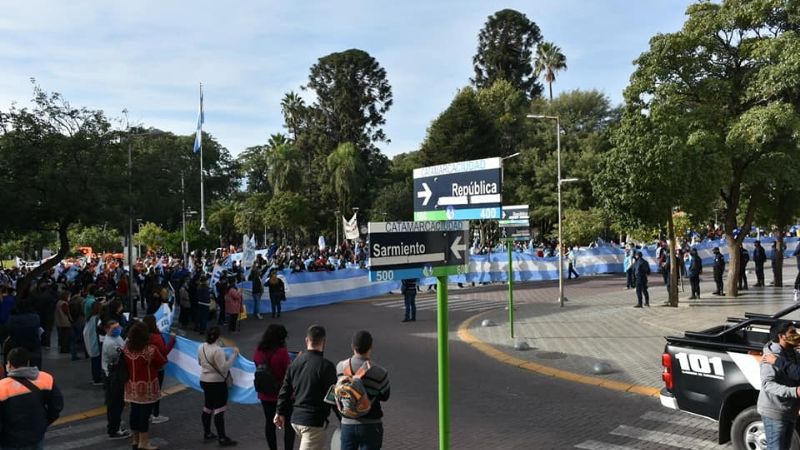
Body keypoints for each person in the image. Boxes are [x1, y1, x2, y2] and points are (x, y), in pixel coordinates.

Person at [275, 325, 336, 450]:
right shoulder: (326, 366)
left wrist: (279, 412)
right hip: (313, 422)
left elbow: (285, 390)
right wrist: (344, 420)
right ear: (324, 342)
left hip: (296, 419)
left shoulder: (295, 363)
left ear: (307, 340)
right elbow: (333, 396)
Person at [0, 347, 64, 449]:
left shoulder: (2, 387)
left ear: (9, 365)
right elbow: (57, 406)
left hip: (11, 441)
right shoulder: (46, 378)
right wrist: (44, 422)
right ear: (28, 362)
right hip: (36, 435)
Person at [336, 330, 391, 450]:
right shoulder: (380, 372)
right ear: (370, 347)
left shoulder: (340, 367)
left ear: (352, 346)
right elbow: (385, 396)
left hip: (347, 423)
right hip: (371, 425)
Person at [123, 321, 167, 450]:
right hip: (147, 386)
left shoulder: (126, 349)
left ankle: (135, 440)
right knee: (145, 414)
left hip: (131, 386)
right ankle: (144, 442)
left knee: (134, 412)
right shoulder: (150, 350)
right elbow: (161, 362)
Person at [757, 320, 800, 450]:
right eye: (792, 332)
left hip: (790, 410)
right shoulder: (770, 357)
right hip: (774, 411)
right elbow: (767, 384)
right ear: (781, 336)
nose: (796, 334)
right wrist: (795, 392)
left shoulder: (795, 354)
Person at [254, 324, 295, 450]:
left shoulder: (258, 351)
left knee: (269, 423)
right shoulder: (282, 353)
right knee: (289, 425)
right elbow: (288, 374)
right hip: (283, 395)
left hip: (265, 395)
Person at [198, 326, 239, 446]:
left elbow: (200, 362)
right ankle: (222, 437)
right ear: (218, 337)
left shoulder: (201, 347)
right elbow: (224, 368)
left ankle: (207, 433)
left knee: (207, 407)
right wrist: (234, 355)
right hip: (217, 383)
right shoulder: (218, 350)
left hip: (204, 381)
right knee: (219, 410)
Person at [142, 315, 176, 424]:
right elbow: (164, 351)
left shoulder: (142, 335)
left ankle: (146, 414)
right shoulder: (156, 337)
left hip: (145, 367)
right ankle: (155, 414)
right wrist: (172, 340)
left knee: (146, 391)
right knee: (156, 391)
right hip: (157, 367)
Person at [101, 319, 130, 439]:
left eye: (118, 327)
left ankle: (115, 426)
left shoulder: (116, 337)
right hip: (112, 376)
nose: (117, 329)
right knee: (115, 403)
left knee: (117, 403)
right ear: (107, 330)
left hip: (115, 373)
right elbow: (123, 354)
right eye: (114, 328)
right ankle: (114, 430)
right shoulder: (110, 344)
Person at [6, 299, 43, 370]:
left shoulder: (12, 319)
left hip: (17, 347)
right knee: (35, 368)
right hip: (33, 346)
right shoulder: (35, 317)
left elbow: (9, 331)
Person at [84, 302, 104, 385]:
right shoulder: (98, 319)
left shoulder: (90, 318)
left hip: (91, 342)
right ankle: (97, 379)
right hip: (96, 342)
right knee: (97, 361)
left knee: (94, 361)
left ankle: (95, 377)